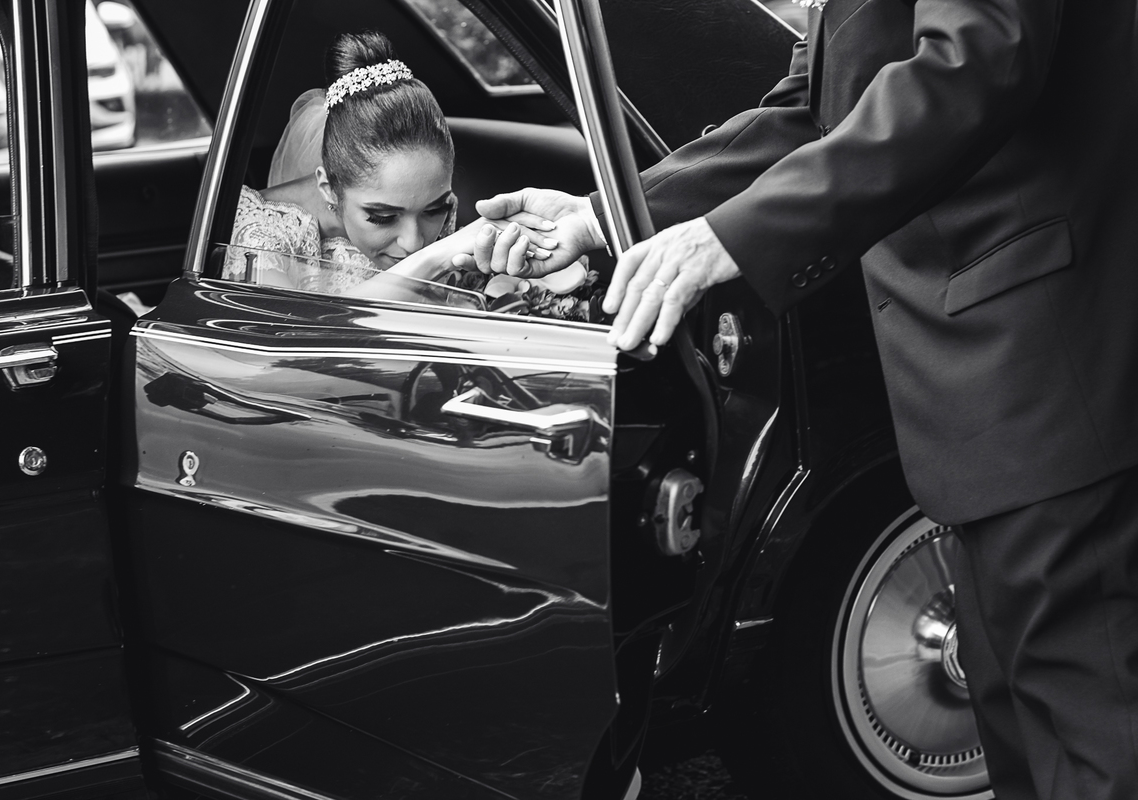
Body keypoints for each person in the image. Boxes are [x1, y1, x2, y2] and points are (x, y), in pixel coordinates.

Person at [476, 1, 1138, 798]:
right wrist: (600, 218)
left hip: (1048, 372)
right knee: (1027, 750)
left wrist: (731, 239)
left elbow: (976, 63)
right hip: (988, 403)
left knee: (1096, 749)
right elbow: (812, 111)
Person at [222, 31, 562, 303]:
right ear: (328, 188)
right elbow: (284, 348)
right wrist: (436, 257)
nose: (414, 242)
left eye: (435, 209)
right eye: (383, 217)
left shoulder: (432, 212)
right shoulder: (261, 232)